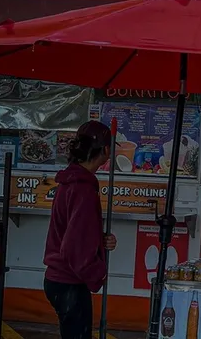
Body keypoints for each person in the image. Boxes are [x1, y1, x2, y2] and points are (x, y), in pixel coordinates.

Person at [43, 120, 118, 339]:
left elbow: (73, 231)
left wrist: (99, 240)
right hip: (69, 283)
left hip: (60, 280)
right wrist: (98, 273)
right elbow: (74, 248)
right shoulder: (83, 190)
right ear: (106, 150)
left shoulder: (71, 182)